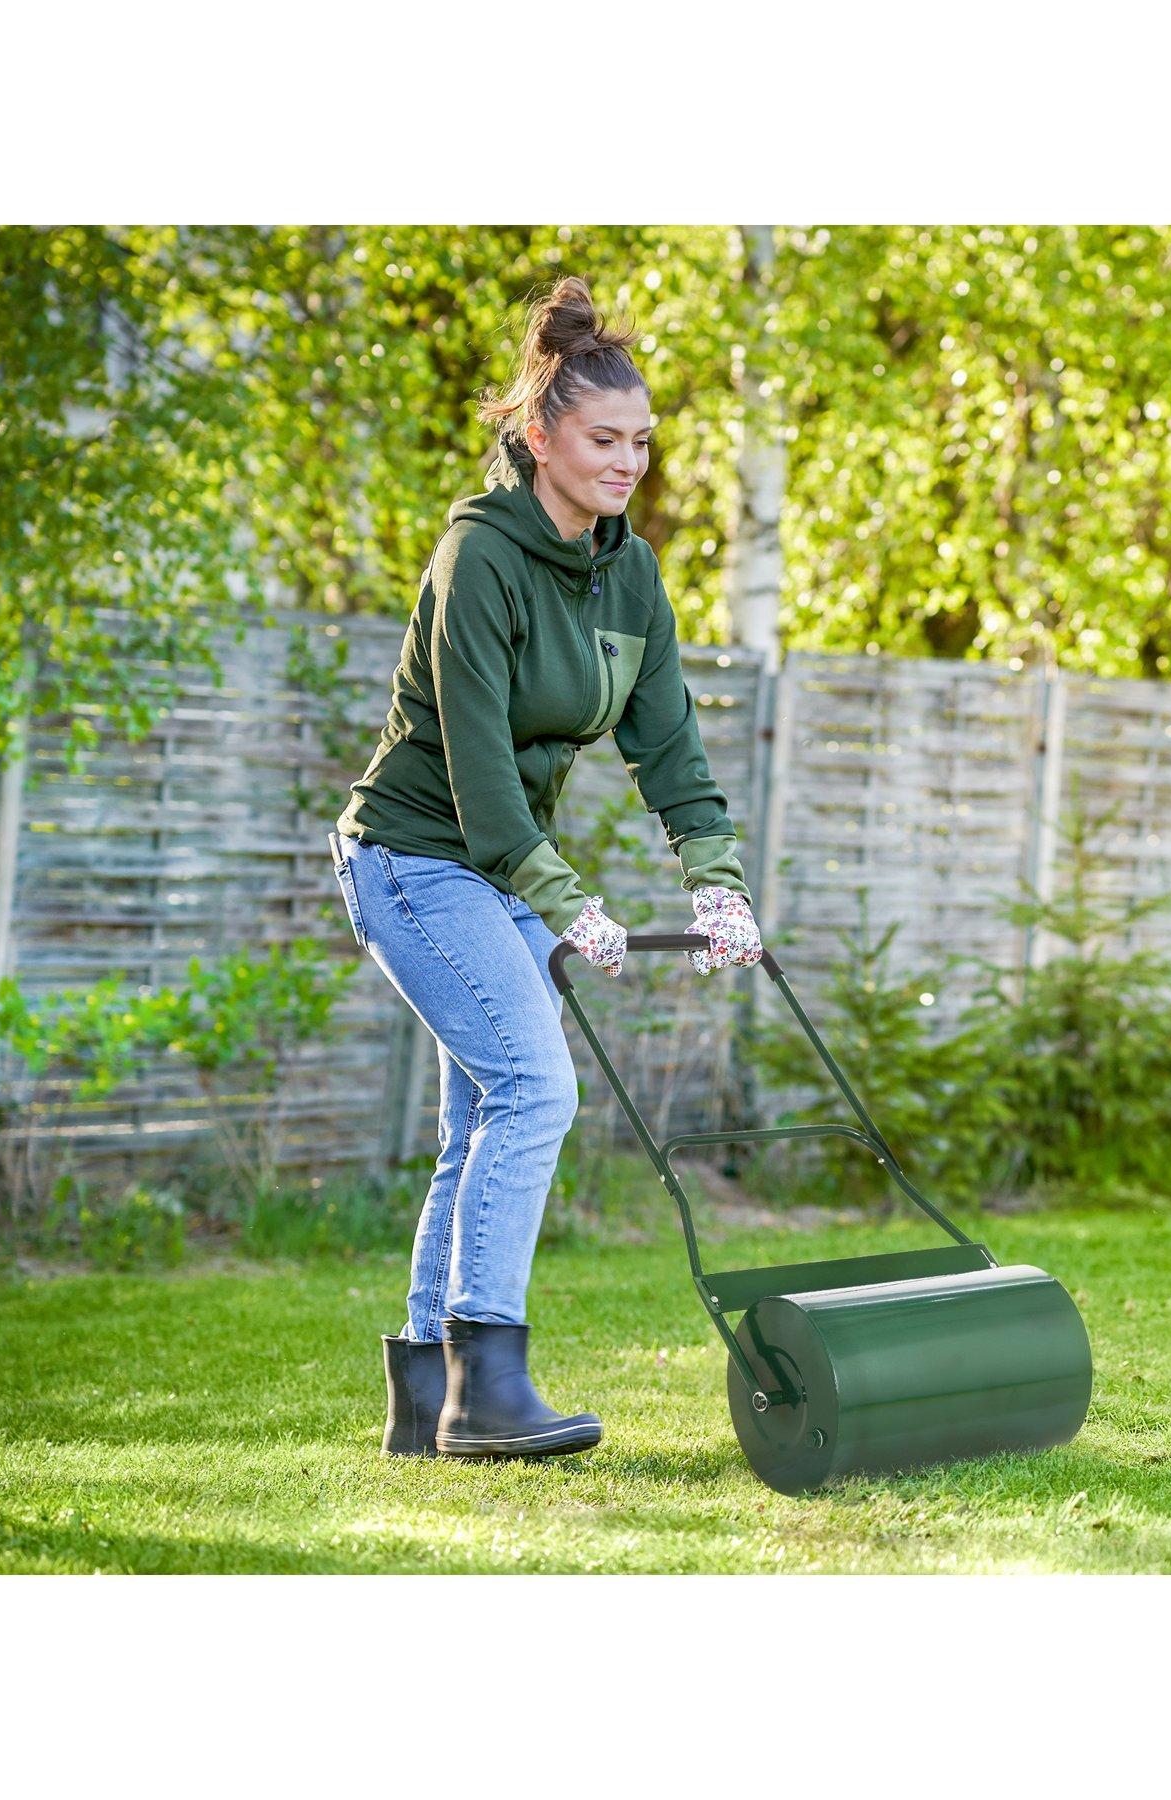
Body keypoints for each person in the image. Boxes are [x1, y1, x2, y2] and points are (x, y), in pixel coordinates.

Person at [326, 274, 763, 1462]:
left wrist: (715, 880)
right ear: (540, 438)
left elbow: (667, 741)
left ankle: (427, 1401)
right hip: (415, 859)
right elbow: (478, 783)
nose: (629, 462)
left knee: (482, 1119)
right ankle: (487, 1385)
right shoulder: (480, 557)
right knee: (537, 1091)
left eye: (644, 442)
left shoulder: (630, 573)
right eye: (604, 440)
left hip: (495, 871)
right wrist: (576, 907)